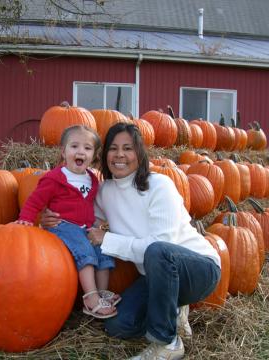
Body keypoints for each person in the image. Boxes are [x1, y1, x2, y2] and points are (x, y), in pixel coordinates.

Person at [41, 123, 221, 360]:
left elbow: (159, 245)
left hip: (199, 269)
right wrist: (50, 217)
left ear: (139, 153)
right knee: (118, 325)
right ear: (104, 155)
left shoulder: (160, 185)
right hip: (155, 278)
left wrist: (108, 240)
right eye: (113, 148)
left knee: (158, 251)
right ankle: (173, 310)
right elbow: (81, 219)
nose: (120, 155)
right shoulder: (105, 191)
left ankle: (166, 344)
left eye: (128, 148)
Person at [15, 125, 120, 319]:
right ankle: (90, 298)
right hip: (63, 225)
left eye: (87, 148)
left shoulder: (92, 179)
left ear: (94, 155)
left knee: (103, 250)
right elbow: (35, 201)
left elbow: (91, 206)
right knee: (84, 250)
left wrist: (98, 224)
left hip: (84, 227)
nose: (81, 151)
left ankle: (101, 293)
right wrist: (26, 219)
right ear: (63, 151)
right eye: (74, 146)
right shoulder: (54, 179)